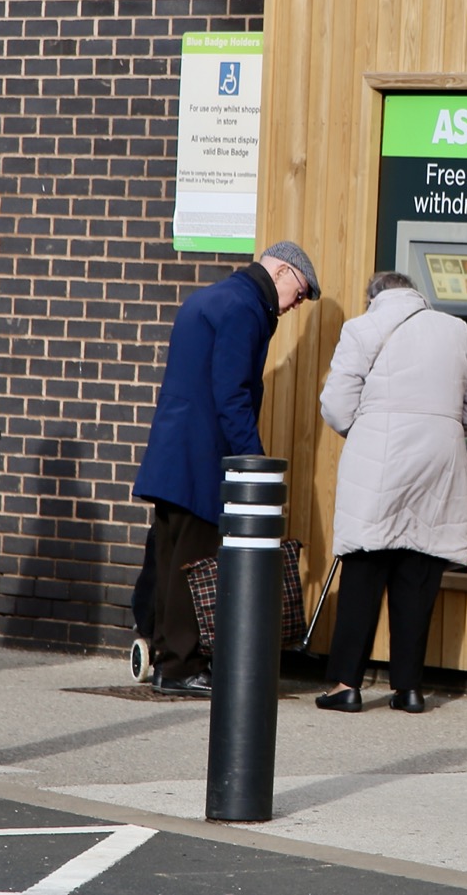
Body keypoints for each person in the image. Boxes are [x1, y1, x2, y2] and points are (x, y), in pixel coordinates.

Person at [131, 241, 321, 697]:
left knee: (170, 554)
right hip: (202, 457)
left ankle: (163, 657)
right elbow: (231, 393)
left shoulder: (209, 297)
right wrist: (252, 464)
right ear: (280, 272)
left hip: (173, 451)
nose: (295, 306)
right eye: (298, 293)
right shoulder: (244, 308)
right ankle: (181, 666)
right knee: (193, 563)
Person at [315, 271, 467, 714]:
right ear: (415, 293)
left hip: (380, 457)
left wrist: (369, 428)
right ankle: (409, 689)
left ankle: (344, 686)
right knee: (419, 570)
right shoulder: (457, 330)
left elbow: (335, 405)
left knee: (364, 568)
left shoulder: (362, 328)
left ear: (374, 297)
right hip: (441, 459)